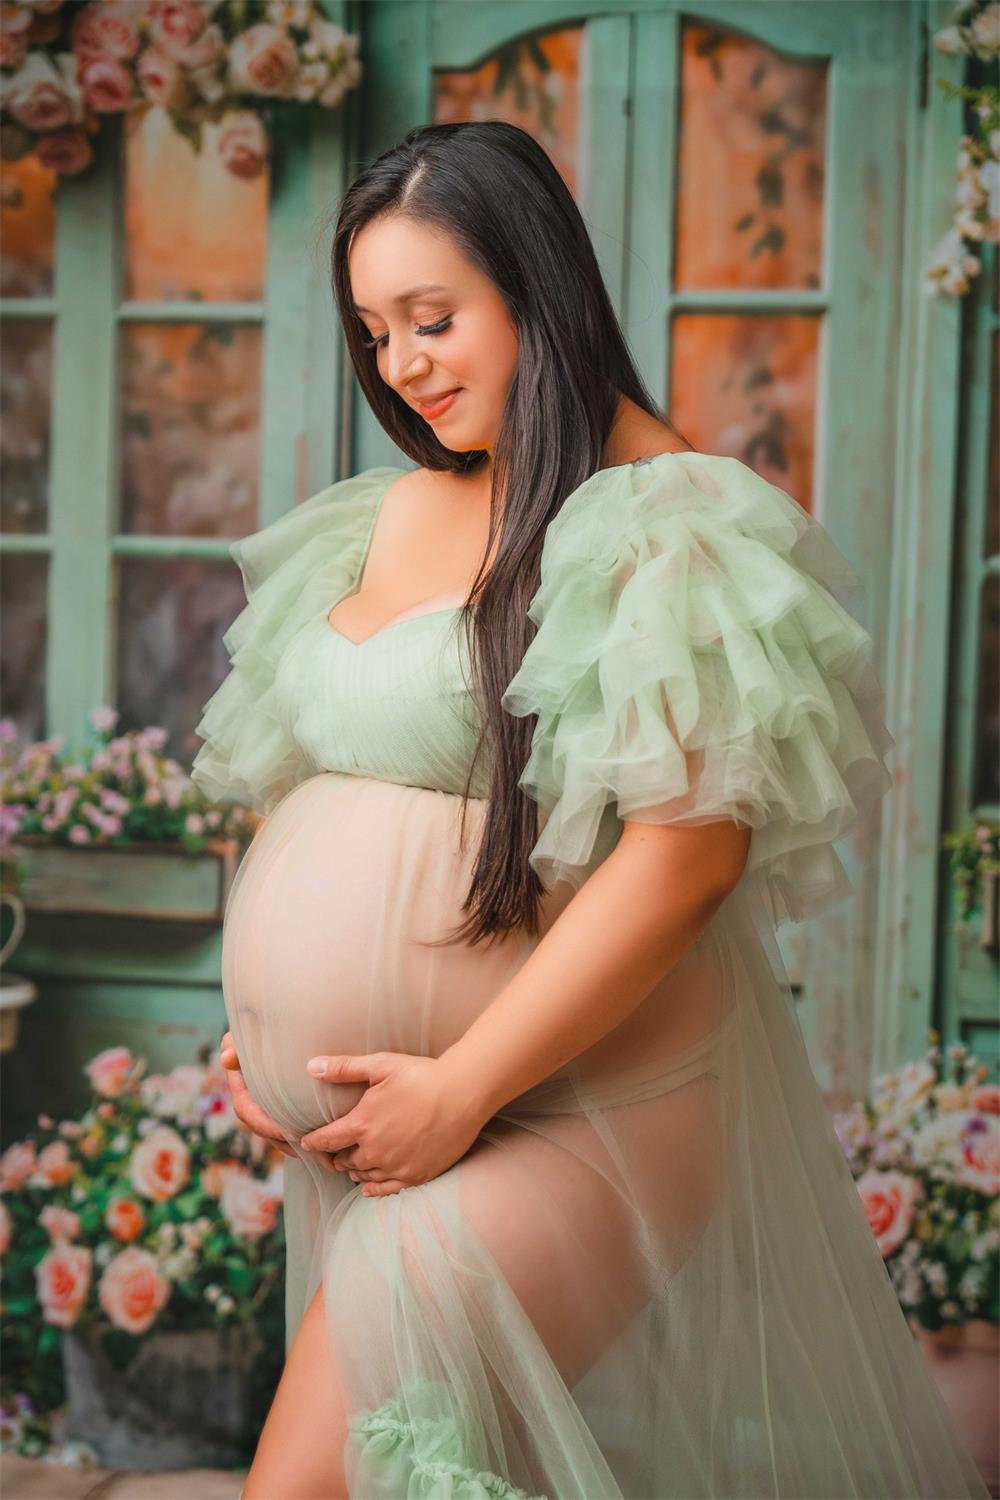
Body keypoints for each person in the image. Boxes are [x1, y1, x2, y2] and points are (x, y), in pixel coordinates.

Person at [191, 120, 989, 1500]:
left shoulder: (662, 522)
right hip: (406, 1119)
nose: (403, 366)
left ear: (534, 288)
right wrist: (254, 1034)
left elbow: (688, 861)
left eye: (433, 320)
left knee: (313, 1486)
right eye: (376, 333)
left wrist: (459, 1087)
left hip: (571, 1114)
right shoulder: (394, 512)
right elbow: (309, 781)